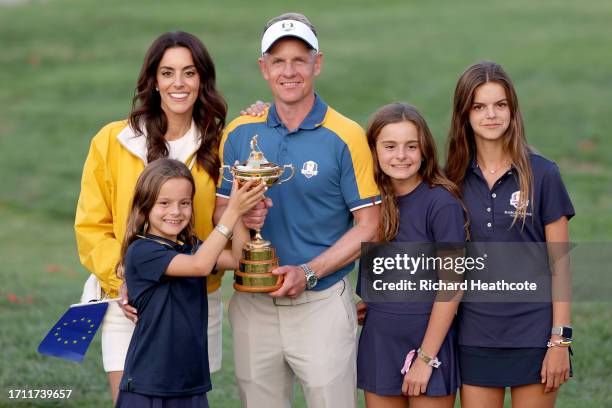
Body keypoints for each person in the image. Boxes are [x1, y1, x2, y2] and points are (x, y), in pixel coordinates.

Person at [215, 12, 381, 408]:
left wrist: (308, 272)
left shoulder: (346, 135)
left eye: (299, 59)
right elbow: (220, 211)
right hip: (253, 303)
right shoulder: (240, 132)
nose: (289, 71)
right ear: (264, 68)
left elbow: (369, 225)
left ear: (317, 64)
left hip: (320, 304)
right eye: (278, 61)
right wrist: (243, 218)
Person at [74, 31, 228, 403]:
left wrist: (257, 117)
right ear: (153, 81)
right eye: (168, 72)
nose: (179, 83)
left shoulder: (221, 145)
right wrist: (125, 280)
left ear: (202, 81)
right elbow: (91, 226)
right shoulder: (112, 141)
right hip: (129, 307)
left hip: (193, 306)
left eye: (189, 73)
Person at [445, 61, 574, 407]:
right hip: (474, 336)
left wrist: (560, 341)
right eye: (479, 106)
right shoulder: (451, 180)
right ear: (465, 114)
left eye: (500, 105)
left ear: (512, 110)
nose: (491, 115)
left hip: (535, 335)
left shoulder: (543, 174)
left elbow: (560, 266)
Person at [114, 158, 265, 407]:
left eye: (184, 203)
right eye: (164, 203)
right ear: (144, 208)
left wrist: (239, 212)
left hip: (190, 381)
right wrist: (231, 213)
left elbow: (239, 258)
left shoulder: (191, 246)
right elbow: (200, 266)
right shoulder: (142, 251)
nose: (176, 211)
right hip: (149, 383)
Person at [357, 103, 465, 408]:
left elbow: (452, 285)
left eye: (411, 146)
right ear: (374, 150)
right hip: (380, 341)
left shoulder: (441, 204)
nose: (400, 156)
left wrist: (426, 358)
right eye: (389, 146)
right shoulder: (372, 202)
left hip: (428, 344)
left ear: (425, 150)